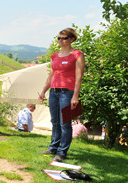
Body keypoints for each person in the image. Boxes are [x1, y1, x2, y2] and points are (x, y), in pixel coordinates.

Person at [37, 28, 85, 162]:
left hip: (68, 93)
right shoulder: (55, 56)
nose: (60, 40)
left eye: (63, 38)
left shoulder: (77, 55)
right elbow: (51, 75)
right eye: (58, 38)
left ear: (71, 39)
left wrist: (75, 96)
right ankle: (53, 147)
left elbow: (79, 77)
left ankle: (62, 152)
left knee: (65, 123)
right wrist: (43, 91)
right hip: (54, 92)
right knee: (55, 122)